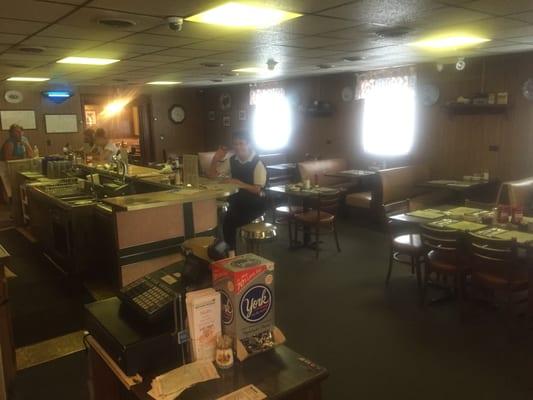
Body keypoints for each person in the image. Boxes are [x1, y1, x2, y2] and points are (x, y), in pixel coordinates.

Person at [209, 131, 268, 251]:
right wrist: (215, 158)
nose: (238, 147)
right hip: (238, 202)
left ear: (249, 144)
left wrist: (239, 183)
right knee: (224, 222)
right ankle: (229, 253)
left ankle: (230, 254)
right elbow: (212, 175)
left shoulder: (257, 163)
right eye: (235, 144)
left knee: (228, 224)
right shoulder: (232, 160)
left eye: (241, 143)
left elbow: (257, 189)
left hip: (255, 204)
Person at [0, 124, 33, 200]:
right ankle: (11, 199)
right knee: (9, 184)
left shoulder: (24, 139)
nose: (18, 133)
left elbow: (31, 155)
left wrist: (25, 144)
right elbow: (7, 158)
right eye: (16, 132)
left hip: (17, 164)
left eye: (19, 131)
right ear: (11, 133)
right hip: (4, 165)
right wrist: (22, 157)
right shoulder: (10, 142)